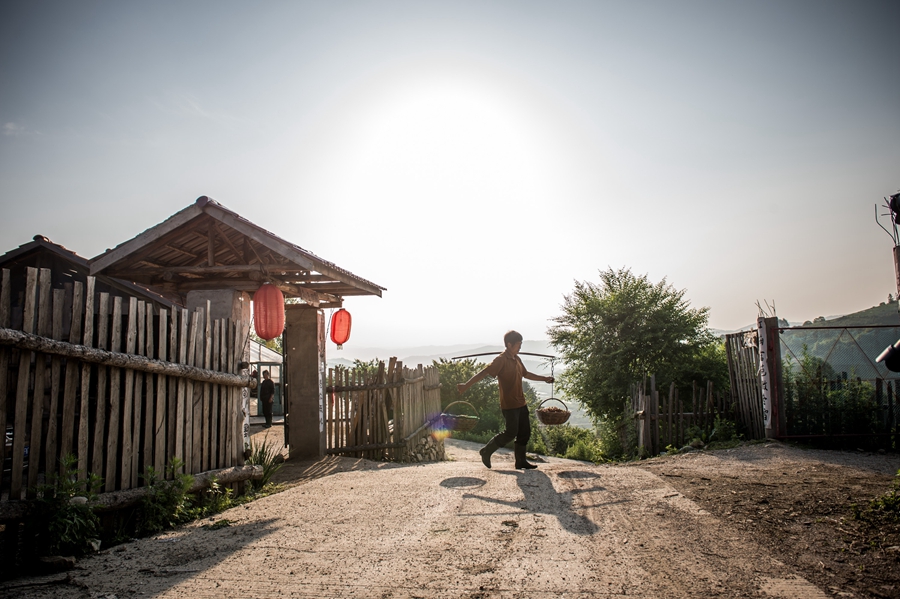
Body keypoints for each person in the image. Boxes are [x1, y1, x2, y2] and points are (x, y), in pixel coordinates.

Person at [456, 330, 554, 470]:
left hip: (521, 402)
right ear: (509, 344)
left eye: (521, 344)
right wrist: (466, 385)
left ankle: (520, 461)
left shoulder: (516, 358)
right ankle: (487, 451)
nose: (520, 347)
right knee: (511, 432)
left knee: (524, 432)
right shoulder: (500, 360)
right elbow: (484, 372)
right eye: (518, 345)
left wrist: (545, 379)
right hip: (509, 404)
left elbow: (526, 374)